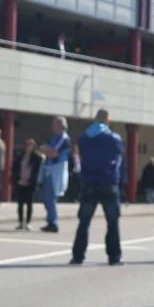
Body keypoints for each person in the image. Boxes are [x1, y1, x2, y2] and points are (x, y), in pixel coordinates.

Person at [70, 108, 124, 265]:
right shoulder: (114, 138)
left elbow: (78, 159)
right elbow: (119, 160)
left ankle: (78, 255)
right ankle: (114, 256)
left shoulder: (83, 138)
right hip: (108, 182)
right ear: (108, 120)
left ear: (95, 119)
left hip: (89, 182)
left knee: (84, 221)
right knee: (112, 221)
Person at [39, 116, 72, 232]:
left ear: (60, 125)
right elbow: (44, 149)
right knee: (46, 198)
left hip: (56, 170)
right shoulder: (54, 138)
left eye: (54, 125)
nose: (52, 127)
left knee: (51, 197)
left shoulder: (64, 139)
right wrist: (46, 150)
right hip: (49, 169)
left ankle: (53, 222)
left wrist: (46, 150)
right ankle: (50, 220)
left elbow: (53, 153)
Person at [13, 136, 41, 229]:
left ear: (33, 146)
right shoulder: (20, 156)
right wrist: (17, 179)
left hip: (30, 183)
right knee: (20, 203)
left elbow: (37, 172)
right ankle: (20, 222)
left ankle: (28, 222)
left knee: (29, 203)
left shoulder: (37, 157)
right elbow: (15, 168)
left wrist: (32, 181)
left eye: (30, 145)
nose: (28, 146)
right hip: (20, 182)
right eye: (27, 144)